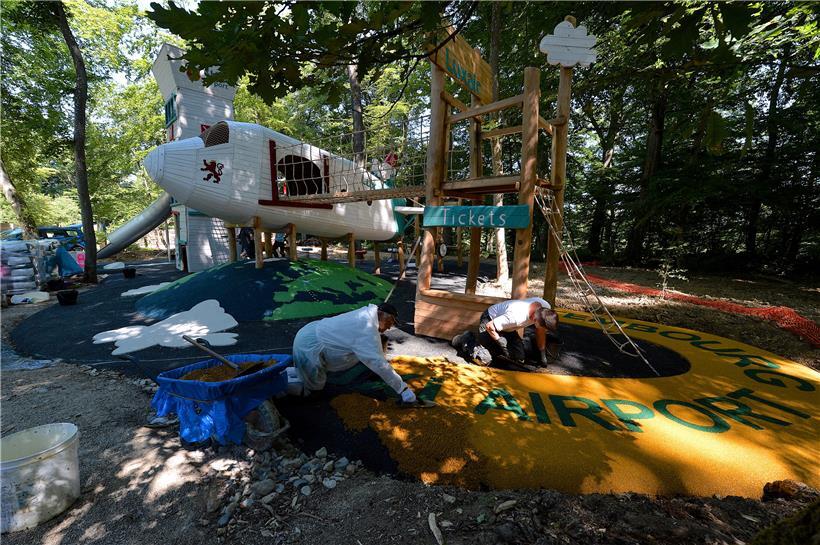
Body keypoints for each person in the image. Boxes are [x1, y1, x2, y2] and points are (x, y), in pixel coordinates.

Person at [288, 302, 417, 404]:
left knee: (305, 373)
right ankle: (280, 386)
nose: (390, 327)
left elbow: (375, 352)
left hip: (310, 333)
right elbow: (378, 362)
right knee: (313, 392)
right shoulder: (366, 330)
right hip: (309, 346)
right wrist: (403, 390)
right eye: (390, 322)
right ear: (381, 315)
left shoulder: (366, 314)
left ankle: (287, 374)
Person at [453, 297, 560, 368]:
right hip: (490, 321)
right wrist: (501, 343)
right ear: (535, 320)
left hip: (507, 327)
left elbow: (540, 331)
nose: (544, 331)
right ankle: (466, 339)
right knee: (485, 359)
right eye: (544, 328)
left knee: (519, 359)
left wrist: (542, 354)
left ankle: (497, 347)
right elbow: (489, 326)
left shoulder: (544, 309)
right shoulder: (516, 316)